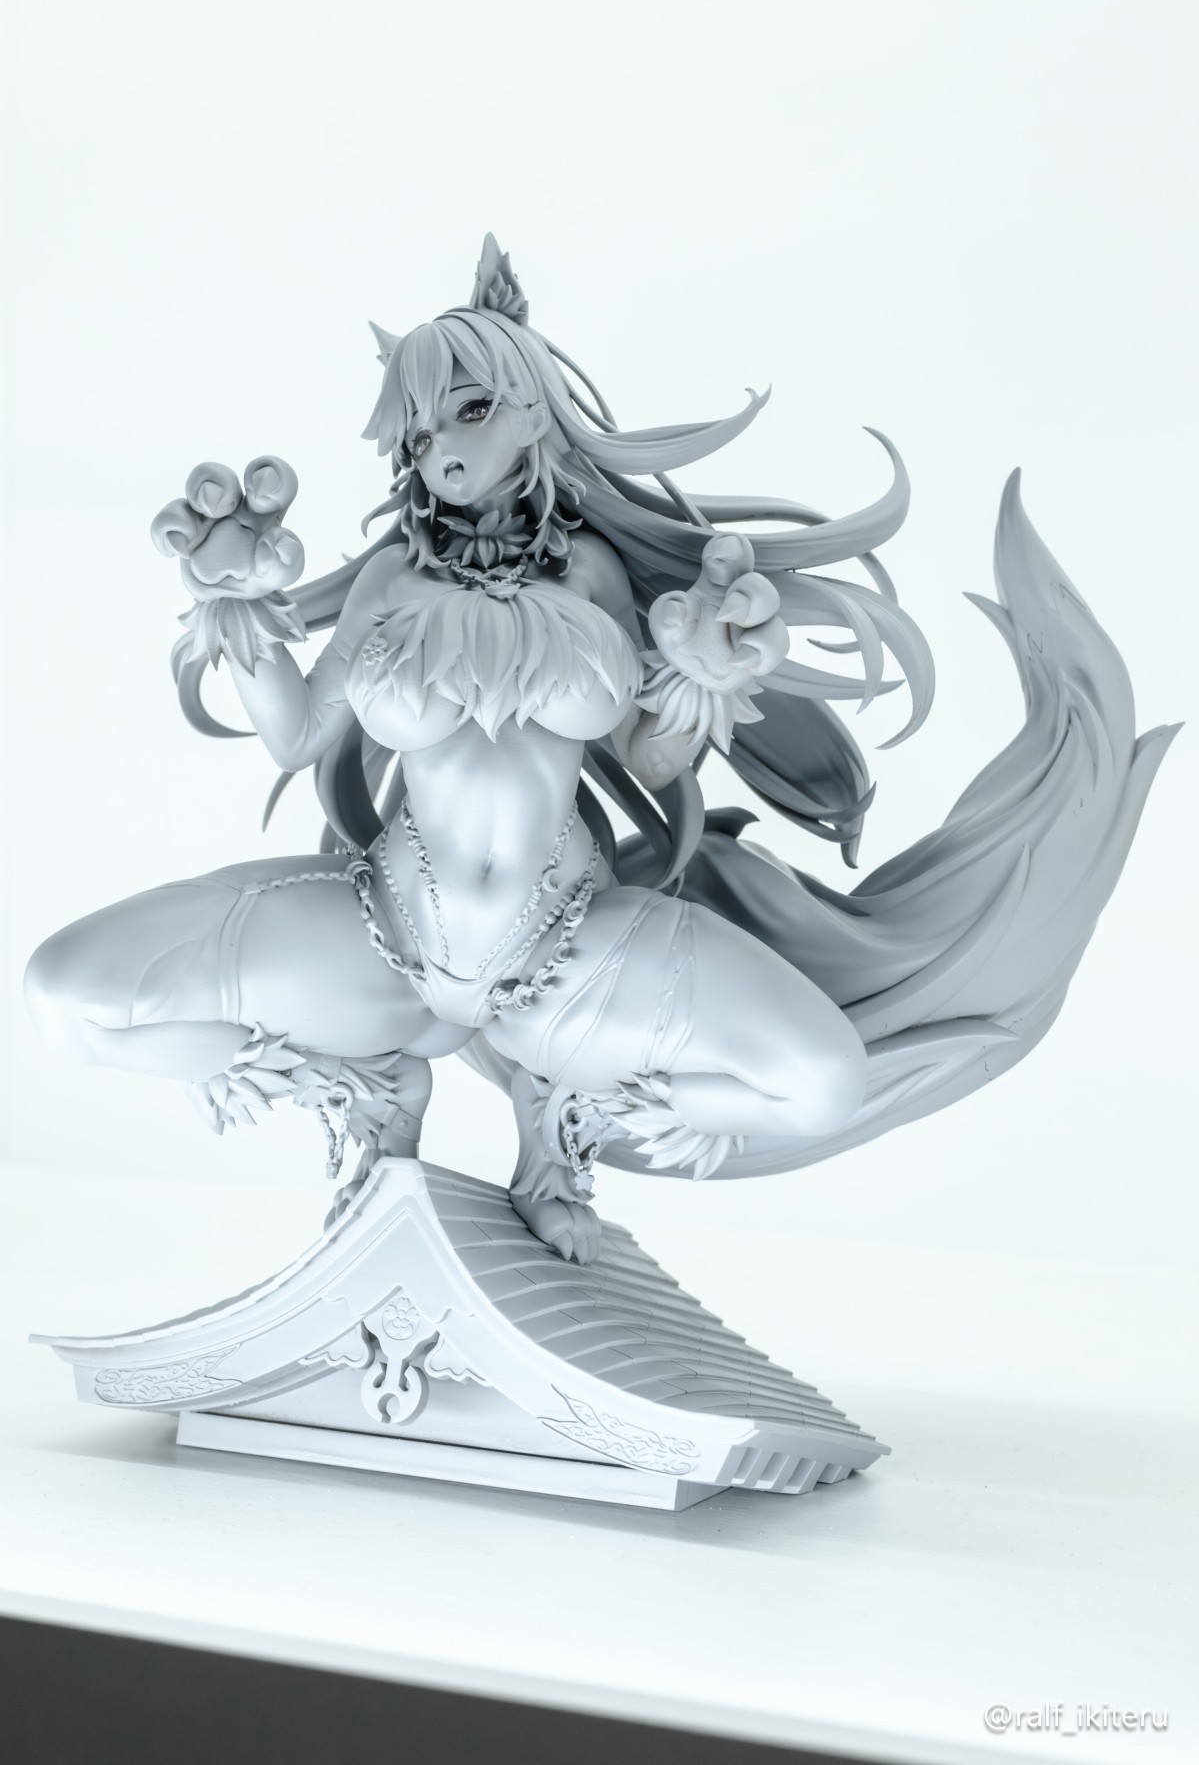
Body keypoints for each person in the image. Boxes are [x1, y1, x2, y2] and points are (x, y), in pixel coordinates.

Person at [25, 237, 1173, 1263]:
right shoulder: (389, 578)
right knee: (64, 994)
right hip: (387, 941)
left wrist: (702, 674)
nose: (439, 450)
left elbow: (649, 760)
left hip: (566, 955)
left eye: (469, 410)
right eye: (418, 432)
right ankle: (370, 1087)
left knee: (821, 1079)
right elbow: (295, 732)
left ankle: (562, 1113)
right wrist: (236, 607)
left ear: (533, 410)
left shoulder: (591, 573)